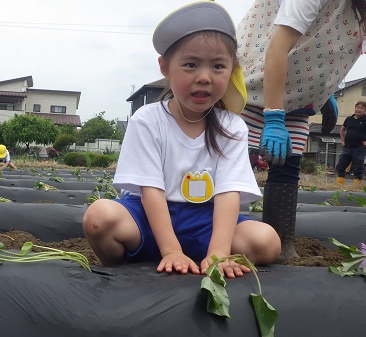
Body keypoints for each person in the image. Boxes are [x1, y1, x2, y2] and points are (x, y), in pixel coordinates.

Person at [82, 1, 281, 278]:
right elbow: (151, 191)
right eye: (190, 64)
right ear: (164, 67)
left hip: (205, 223)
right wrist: (170, 249)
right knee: (99, 217)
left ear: (232, 68)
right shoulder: (148, 120)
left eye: (218, 66)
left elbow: (227, 194)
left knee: (266, 241)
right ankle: (122, 273)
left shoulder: (231, 126)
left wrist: (218, 253)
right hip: (148, 221)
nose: (204, 77)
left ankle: (199, 257)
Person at [236, 0, 366, 261]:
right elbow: (278, 47)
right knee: (229, 159)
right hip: (249, 86)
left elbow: (332, 50)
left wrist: (323, 92)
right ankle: (212, 234)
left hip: (297, 99)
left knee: (288, 163)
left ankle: (279, 242)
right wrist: (274, 118)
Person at [336, 101, 366, 186]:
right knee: (341, 166)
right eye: (357, 107)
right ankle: (339, 184)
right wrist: (342, 140)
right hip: (347, 147)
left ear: (365, 110)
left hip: (360, 147)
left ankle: (356, 186)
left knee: (358, 167)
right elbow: (342, 129)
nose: (358, 109)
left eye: (361, 108)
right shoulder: (349, 119)